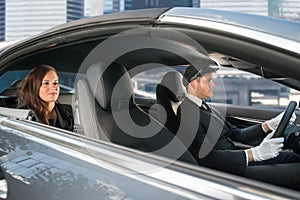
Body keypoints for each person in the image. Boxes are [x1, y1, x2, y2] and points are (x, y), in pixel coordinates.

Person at [179, 61, 300, 190]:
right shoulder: (186, 115)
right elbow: (208, 158)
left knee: (294, 158)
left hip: (235, 158)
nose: (213, 85)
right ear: (193, 83)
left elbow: (236, 133)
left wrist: (269, 125)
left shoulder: (205, 107)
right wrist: (255, 154)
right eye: (208, 81)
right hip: (227, 170)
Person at [18, 65, 74, 131]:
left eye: (55, 83)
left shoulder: (67, 112)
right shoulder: (24, 116)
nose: (53, 87)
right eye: (46, 83)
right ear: (35, 87)